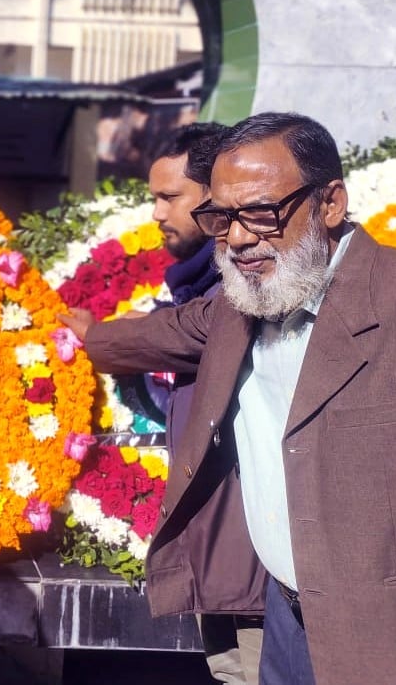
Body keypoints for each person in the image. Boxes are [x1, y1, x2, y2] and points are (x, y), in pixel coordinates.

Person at [60, 112, 396, 684]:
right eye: (220, 217)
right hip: (280, 623)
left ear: (331, 203)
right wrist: (87, 335)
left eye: (261, 213)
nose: (238, 238)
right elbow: (164, 333)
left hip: (391, 640)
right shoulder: (238, 304)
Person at [147, 122, 264, 684]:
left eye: (169, 197)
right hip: (220, 567)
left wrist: (106, 340)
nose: (155, 213)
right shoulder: (194, 290)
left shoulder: (251, 291)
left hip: (260, 575)